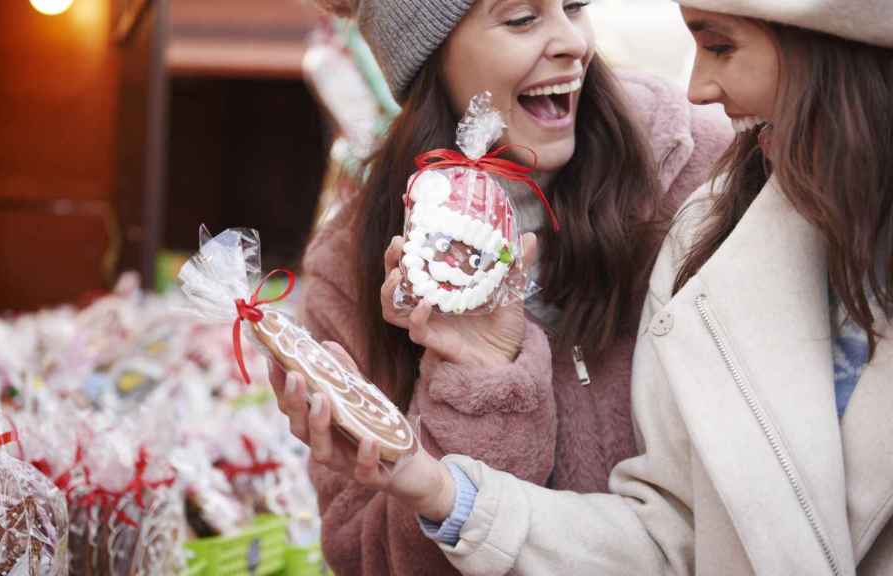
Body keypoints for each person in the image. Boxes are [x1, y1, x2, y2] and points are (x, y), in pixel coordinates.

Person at [285, 1, 893, 574]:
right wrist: (477, 396)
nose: (574, 41)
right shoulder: (354, 266)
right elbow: (372, 558)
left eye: (575, 6)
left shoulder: (710, 179)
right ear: (429, 55)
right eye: (523, 18)